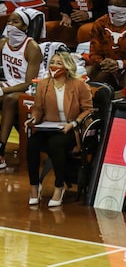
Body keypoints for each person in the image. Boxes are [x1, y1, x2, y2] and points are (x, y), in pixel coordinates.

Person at [0, 7, 45, 170]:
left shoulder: (32, 47)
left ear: (25, 27)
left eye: (15, 21)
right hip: (11, 84)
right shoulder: (3, 43)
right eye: (9, 21)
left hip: (33, 90)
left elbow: (28, 83)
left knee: (11, 100)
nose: (10, 24)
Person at [24, 51, 93, 207]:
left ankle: (59, 186)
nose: (54, 65)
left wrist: (74, 123)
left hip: (71, 129)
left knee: (56, 143)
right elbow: (38, 108)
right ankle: (34, 186)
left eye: (59, 63)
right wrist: (33, 119)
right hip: (49, 127)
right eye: (53, 62)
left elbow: (88, 109)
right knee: (33, 143)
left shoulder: (79, 85)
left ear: (67, 67)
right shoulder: (44, 83)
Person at [44, 0, 113, 49]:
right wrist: (65, 15)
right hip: (72, 21)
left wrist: (89, 15)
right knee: (47, 27)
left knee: (83, 30)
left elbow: (109, 12)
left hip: (95, 21)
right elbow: (63, 4)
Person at [88, 0, 126, 99]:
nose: (114, 9)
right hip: (107, 66)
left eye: (119, 6)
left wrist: (119, 64)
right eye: (111, 5)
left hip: (123, 66)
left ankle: (119, 98)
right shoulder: (100, 23)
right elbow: (94, 53)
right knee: (90, 73)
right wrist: (103, 63)